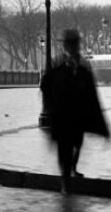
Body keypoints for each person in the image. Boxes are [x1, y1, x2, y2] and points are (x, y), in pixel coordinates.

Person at [41, 28, 109, 194]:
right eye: (69, 44)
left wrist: (100, 124)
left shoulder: (83, 67)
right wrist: (50, 108)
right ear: (66, 46)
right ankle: (66, 180)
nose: (71, 47)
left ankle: (70, 171)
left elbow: (92, 95)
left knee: (77, 144)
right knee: (64, 149)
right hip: (62, 116)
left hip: (77, 116)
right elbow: (46, 86)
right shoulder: (57, 65)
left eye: (73, 44)